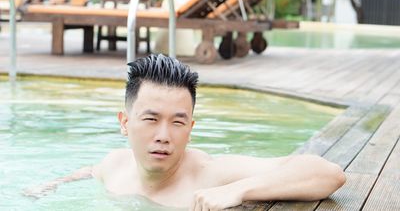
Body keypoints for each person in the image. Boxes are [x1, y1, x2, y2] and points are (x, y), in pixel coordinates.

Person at [24, 54, 346, 210]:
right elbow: (90, 171)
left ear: (190, 129)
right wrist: (53, 184)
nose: (164, 135)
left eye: (178, 122)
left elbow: (328, 173)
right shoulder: (115, 164)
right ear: (125, 122)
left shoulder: (208, 174)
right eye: (151, 119)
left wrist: (239, 189)